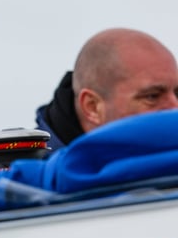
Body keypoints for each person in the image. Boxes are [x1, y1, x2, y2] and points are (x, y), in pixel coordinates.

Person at [35, 28, 178, 150]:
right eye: (152, 96)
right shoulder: (26, 179)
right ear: (93, 107)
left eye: (177, 94)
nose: (175, 108)